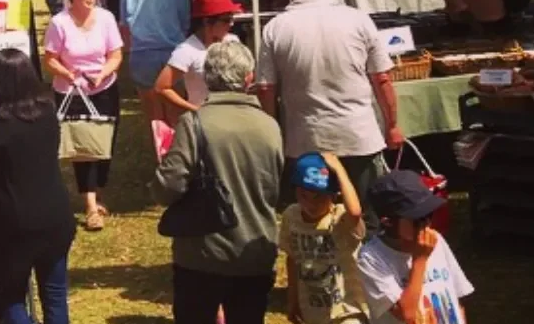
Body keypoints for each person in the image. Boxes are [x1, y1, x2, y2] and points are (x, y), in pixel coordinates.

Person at [256, 0, 402, 234]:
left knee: (312, 220)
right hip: (358, 136)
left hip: (305, 139)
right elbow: (382, 78)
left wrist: (273, 134)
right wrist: (392, 124)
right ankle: (366, 271)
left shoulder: (276, 27)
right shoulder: (358, 19)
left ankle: (320, 271)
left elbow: (266, 88)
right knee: (367, 218)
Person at [152, 41, 284, 324]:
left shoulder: (193, 123)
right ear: (248, 78)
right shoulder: (270, 125)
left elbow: (168, 187)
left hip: (202, 254)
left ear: (208, 78)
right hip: (255, 250)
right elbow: (274, 189)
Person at [0, 48, 75, 324]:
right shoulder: (48, 113)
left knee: (11, 295)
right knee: (55, 293)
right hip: (56, 216)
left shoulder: (0, 125)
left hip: (17, 225)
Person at [44, 0, 123, 231]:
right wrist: (68, 74)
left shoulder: (106, 18)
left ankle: (98, 190)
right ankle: (90, 206)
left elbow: (115, 54)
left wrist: (103, 73)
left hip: (104, 87)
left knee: (103, 144)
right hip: (71, 91)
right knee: (83, 148)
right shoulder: (59, 23)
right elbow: (50, 59)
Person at [358, 171, 473, 324]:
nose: (427, 225)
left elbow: (456, 298)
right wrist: (420, 259)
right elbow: (408, 315)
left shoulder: (436, 241)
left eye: (429, 215)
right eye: (418, 220)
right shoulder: (371, 258)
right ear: (388, 222)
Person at [279, 151, 367, 324]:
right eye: (304, 195)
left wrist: (339, 170)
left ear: (333, 195)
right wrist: (292, 300)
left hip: (347, 310)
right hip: (313, 310)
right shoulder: (291, 216)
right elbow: (292, 259)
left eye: (319, 197)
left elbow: (355, 212)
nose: (311, 203)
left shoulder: (341, 218)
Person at [121, 0, 191, 124]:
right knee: (176, 113)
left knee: (154, 116)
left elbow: (125, 24)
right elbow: (184, 21)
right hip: (173, 53)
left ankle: (160, 153)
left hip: (143, 53)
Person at [154, 0, 241, 120]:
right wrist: (196, 110)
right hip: (206, 122)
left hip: (235, 116)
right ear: (207, 22)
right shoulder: (187, 50)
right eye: (226, 20)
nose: (231, 24)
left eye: (232, 19)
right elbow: (162, 88)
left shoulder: (233, 41)